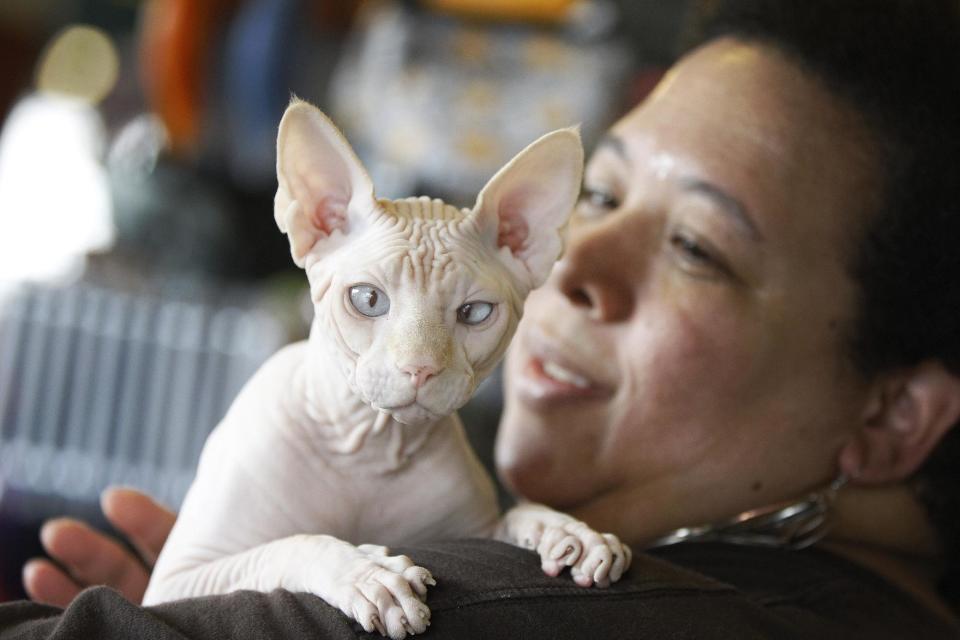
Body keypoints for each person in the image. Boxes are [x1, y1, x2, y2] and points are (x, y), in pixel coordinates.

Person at [6, 0, 960, 637]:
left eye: (698, 247)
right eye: (598, 196)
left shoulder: (521, 611)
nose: (569, 264)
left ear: (893, 417)